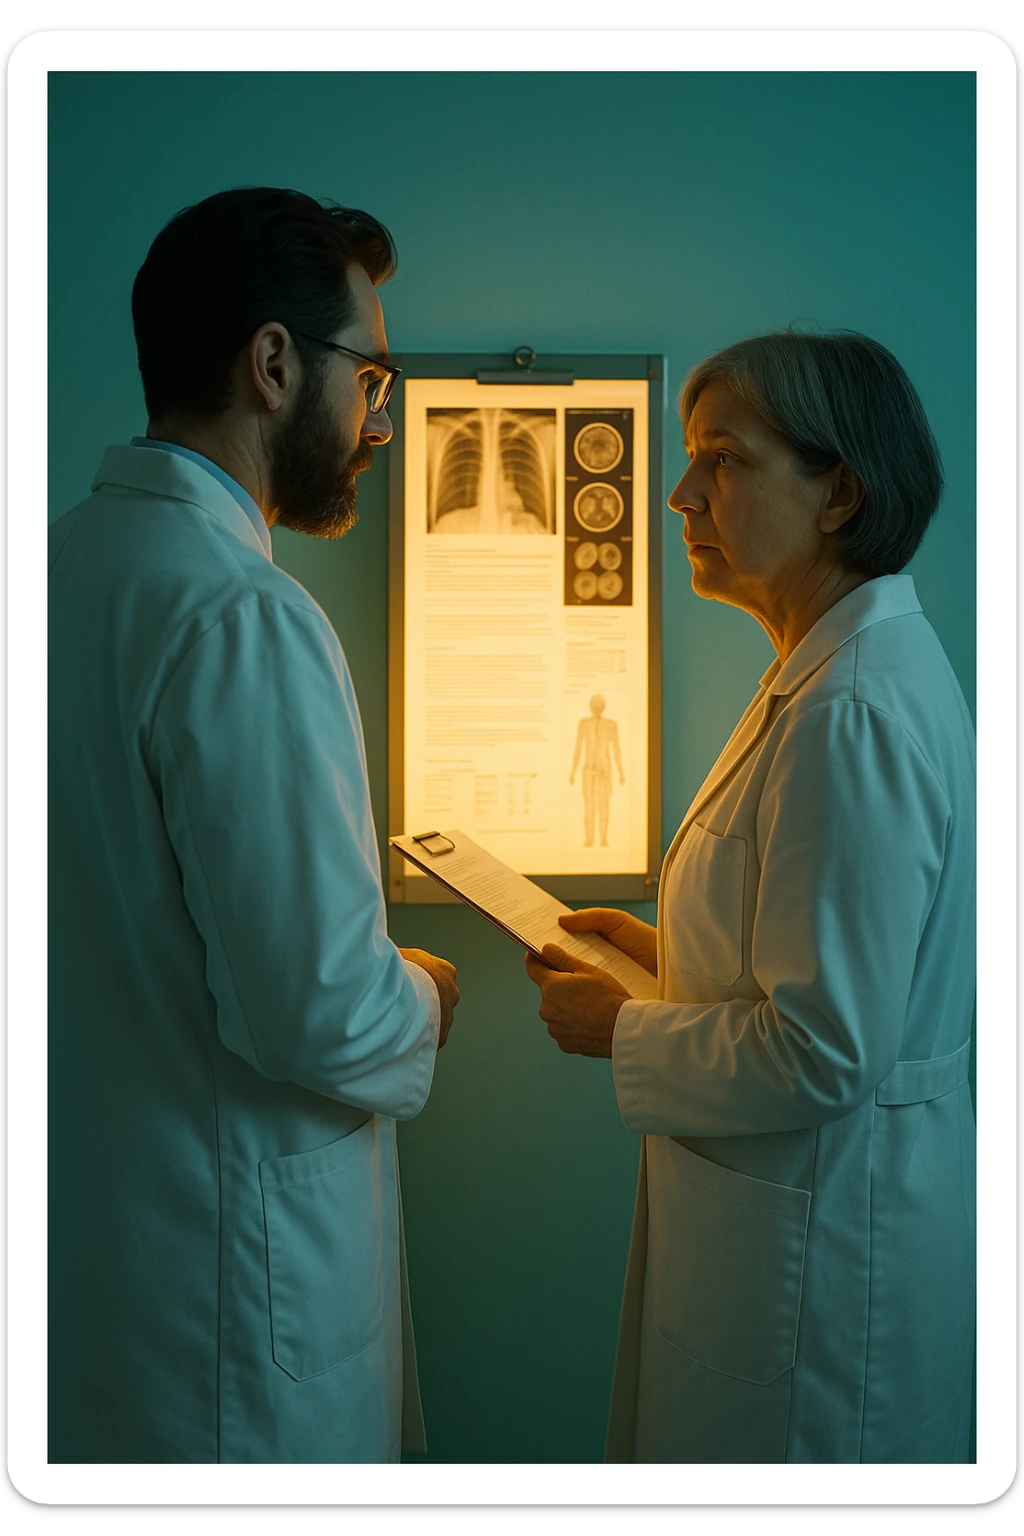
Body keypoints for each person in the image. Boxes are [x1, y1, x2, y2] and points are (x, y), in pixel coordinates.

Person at [48, 187, 460, 1464]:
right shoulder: (243, 616)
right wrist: (429, 991)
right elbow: (321, 1011)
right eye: (372, 373)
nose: (379, 419)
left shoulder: (63, 570)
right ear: (275, 363)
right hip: (236, 1313)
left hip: (106, 1272)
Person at [526, 331, 975, 1463]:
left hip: (819, 1278)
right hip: (787, 1233)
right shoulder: (815, 677)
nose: (678, 494)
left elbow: (824, 1048)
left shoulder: (850, 713)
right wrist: (660, 954)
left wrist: (621, 1026)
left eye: (721, 461)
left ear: (840, 494)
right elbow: (798, 950)